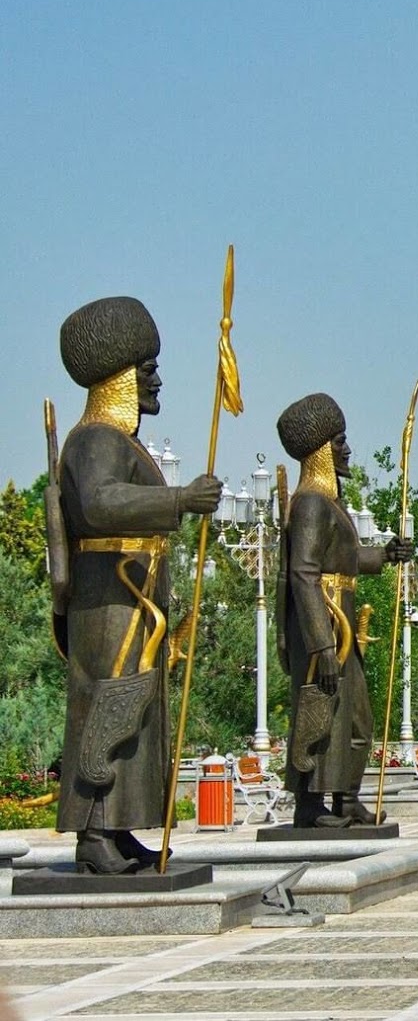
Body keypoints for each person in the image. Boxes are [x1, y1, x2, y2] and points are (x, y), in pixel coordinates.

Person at [54, 297, 223, 873]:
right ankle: (93, 835)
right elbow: (101, 503)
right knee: (108, 706)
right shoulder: (94, 439)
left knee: (135, 712)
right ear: (118, 376)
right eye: (145, 368)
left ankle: (119, 828)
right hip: (107, 599)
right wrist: (180, 499)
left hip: (133, 598)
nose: (155, 379)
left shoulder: (121, 441)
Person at [276, 393, 412, 829]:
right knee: (320, 714)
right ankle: (310, 806)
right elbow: (304, 573)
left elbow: (346, 560)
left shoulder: (329, 504)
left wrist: (386, 555)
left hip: (342, 625)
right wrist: (320, 644)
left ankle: (347, 798)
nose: (347, 450)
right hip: (325, 629)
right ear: (319, 450)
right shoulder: (311, 504)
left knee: (355, 716)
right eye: (339, 441)